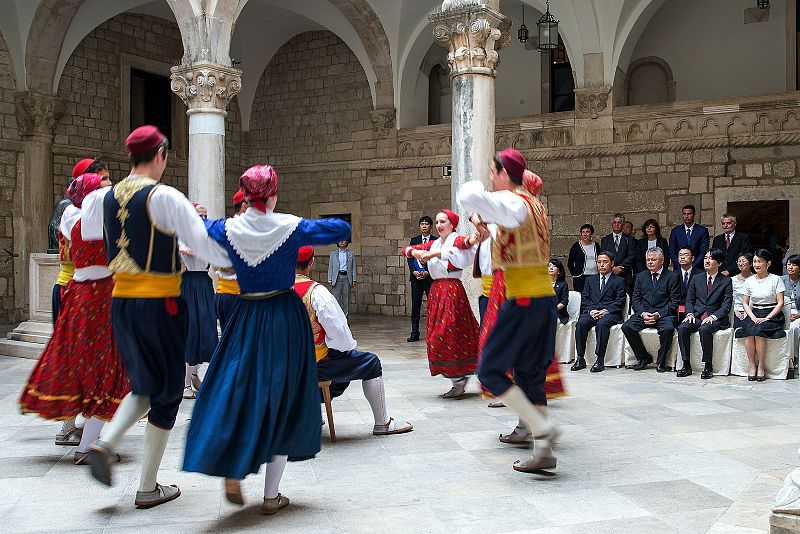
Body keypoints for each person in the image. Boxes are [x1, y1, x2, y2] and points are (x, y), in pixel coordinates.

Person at [80, 125, 233, 508]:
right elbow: (203, 245)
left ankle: (106, 443)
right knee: (164, 395)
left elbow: (88, 232)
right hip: (160, 304)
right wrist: (240, 264)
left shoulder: (103, 196)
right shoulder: (164, 196)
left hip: (121, 302)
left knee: (145, 385)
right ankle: (147, 487)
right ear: (161, 155)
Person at [183, 165, 351, 514]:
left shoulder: (228, 228)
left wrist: (200, 220)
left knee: (236, 388)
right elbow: (340, 228)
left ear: (243, 196)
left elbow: (197, 226)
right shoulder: (288, 226)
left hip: (245, 314)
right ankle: (271, 495)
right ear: (273, 194)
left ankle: (232, 465)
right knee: (283, 398)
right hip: (283, 316)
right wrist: (299, 225)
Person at [458, 147, 559, 474]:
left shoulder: (515, 203)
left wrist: (480, 197)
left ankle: (540, 429)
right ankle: (543, 451)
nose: (490, 177)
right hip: (541, 299)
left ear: (504, 174)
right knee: (530, 375)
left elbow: (469, 196)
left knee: (489, 370)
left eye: (493, 172)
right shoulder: (534, 204)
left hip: (525, 300)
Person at [19, 173, 130, 465]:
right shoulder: (107, 227)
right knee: (106, 367)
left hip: (78, 297)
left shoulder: (73, 222)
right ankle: (88, 444)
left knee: (81, 362)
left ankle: (79, 433)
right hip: (102, 299)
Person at [295, 246, 413, 435]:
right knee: (370, 363)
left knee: (340, 370)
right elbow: (341, 337)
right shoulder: (317, 293)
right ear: (311, 262)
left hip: (280, 365)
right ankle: (382, 423)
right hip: (314, 364)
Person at [402, 210, 479, 398]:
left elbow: (465, 244)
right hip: (437, 292)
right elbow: (406, 249)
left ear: (452, 224)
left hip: (451, 291)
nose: (438, 225)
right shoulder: (434, 242)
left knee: (449, 333)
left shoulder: (456, 240)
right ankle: (457, 380)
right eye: (437, 222)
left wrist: (472, 238)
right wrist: (416, 251)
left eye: (442, 221)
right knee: (439, 335)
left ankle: (463, 378)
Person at [178, 203, 218, 399]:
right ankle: (185, 383)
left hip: (204, 282)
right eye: (198, 216)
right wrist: (185, 249)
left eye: (204, 216)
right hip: (189, 283)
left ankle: (194, 375)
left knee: (206, 328)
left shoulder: (207, 236)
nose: (202, 220)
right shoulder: (182, 236)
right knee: (191, 329)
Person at [622, 247, 682, 372]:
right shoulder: (640, 276)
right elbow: (636, 299)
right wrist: (643, 313)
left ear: (662, 260)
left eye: (653, 260)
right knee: (627, 327)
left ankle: (661, 360)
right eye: (648, 260)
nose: (649, 262)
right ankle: (643, 357)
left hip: (664, 314)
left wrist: (659, 314)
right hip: (644, 313)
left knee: (668, 329)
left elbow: (674, 302)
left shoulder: (672, 276)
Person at [676, 249, 733, 379]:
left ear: (719, 263)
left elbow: (726, 305)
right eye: (705, 258)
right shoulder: (696, 279)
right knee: (683, 327)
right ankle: (686, 364)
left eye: (711, 258)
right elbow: (689, 300)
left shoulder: (726, 281)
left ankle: (708, 366)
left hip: (715, 318)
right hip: (697, 316)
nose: (707, 260)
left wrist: (713, 316)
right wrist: (689, 313)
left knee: (704, 328)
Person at [736, 249, 786, 381]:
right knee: (748, 332)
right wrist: (752, 317)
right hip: (755, 312)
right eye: (755, 261)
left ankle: (762, 367)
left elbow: (780, 303)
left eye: (760, 261)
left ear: (768, 263)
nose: (757, 264)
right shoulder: (749, 281)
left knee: (758, 332)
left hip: (772, 314)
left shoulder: (776, 279)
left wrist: (768, 317)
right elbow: (745, 303)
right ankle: (752, 365)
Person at [573, 251, 627, 373]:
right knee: (581, 323)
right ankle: (580, 358)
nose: (601, 265)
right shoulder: (590, 280)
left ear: (612, 263)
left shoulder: (619, 281)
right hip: (592, 311)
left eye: (605, 262)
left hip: (610, 314)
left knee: (602, 324)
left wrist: (605, 311)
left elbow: (620, 302)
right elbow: (585, 298)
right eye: (599, 262)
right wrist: (591, 310)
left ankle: (600, 359)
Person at [213, 190, 245, 332]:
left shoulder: (223, 227)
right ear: (244, 206)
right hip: (237, 295)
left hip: (222, 294)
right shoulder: (243, 230)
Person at [407, 216, 437, 341]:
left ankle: (433, 332)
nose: (424, 226)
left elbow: (436, 258)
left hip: (429, 278)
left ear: (430, 226)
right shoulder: (414, 240)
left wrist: (428, 272)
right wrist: (414, 271)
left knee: (432, 305)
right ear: (419, 226)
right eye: (422, 224)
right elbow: (409, 257)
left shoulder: (436, 241)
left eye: (427, 224)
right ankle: (414, 332)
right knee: (416, 304)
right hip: (416, 278)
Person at [599, 213, 635, 294]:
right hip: (609, 275)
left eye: (619, 223)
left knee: (625, 301)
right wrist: (612, 268)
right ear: (612, 225)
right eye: (615, 222)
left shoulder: (629, 239)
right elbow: (603, 257)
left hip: (625, 275)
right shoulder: (605, 240)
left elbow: (631, 255)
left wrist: (620, 268)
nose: (617, 224)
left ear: (622, 224)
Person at [668, 204, 709, 269]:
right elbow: (672, 251)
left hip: (697, 269)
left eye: (689, 214)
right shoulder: (675, 231)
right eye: (684, 214)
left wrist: (692, 266)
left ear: (694, 215)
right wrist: (680, 265)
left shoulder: (702, 230)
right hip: (679, 269)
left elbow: (703, 251)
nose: (686, 216)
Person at [567, 223, 600, 294]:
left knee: (593, 295)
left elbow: (600, 259)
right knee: (580, 297)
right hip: (580, 277)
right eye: (583, 232)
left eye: (587, 232)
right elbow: (570, 263)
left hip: (594, 276)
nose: (585, 234)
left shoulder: (596, 245)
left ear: (591, 233)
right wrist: (575, 274)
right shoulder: (576, 246)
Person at [328, 239, 356, 317]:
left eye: (343, 240)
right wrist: (329, 278)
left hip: (347, 278)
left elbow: (353, 267)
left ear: (347, 242)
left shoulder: (351, 253)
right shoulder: (333, 253)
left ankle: (345, 319)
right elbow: (331, 267)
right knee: (335, 299)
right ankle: (336, 318)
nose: (341, 241)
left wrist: (354, 279)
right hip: (336, 278)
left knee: (346, 300)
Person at [781, 255, 800, 364]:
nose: (790, 267)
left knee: (794, 328)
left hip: (797, 315)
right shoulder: (780, 280)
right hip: (784, 314)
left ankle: (794, 358)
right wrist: (787, 315)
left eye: (794, 264)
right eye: (788, 264)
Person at [676, 247, 703, 318]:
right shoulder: (673, 274)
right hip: (677, 308)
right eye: (680, 255)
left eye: (685, 255)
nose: (682, 257)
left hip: (696, 308)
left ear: (693, 258)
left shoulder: (700, 274)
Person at [732, 252, 754, 329]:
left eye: (743, 261)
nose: (741, 263)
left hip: (753, 311)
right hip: (736, 311)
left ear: (751, 263)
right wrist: (735, 311)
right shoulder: (732, 280)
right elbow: (730, 299)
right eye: (739, 261)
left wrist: (747, 312)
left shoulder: (756, 279)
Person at [549, 258, 569, 325]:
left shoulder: (563, 284)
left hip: (558, 313)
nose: (551, 268)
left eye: (554, 266)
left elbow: (564, 301)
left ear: (559, 271)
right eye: (549, 266)